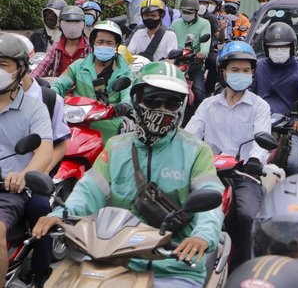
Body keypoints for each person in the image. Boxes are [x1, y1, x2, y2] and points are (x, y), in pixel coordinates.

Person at [32, 62, 225, 288]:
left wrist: (202, 236)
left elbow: (210, 199)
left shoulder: (196, 150)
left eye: (171, 102)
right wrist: (61, 214)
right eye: (153, 100)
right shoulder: (116, 147)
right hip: (110, 259)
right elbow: (88, 192)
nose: (161, 109)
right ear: (137, 100)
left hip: (173, 266)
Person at [186, 41, 271, 272]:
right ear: (223, 72)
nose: (240, 74)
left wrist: (255, 161)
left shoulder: (260, 106)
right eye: (235, 70)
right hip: (207, 174)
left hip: (244, 175)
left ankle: (241, 270)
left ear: (253, 73)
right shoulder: (208, 105)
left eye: (246, 70)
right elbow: (190, 135)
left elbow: (262, 140)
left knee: (247, 216)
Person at [12, 34, 70, 287]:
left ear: (22, 65)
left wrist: (40, 172)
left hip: (34, 175)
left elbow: (61, 142)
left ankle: (40, 269)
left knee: (39, 209)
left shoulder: (47, 99)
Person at [0, 33, 53, 283]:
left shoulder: (35, 109)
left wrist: (23, 175)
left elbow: (44, 148)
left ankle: (40, 269)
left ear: (20, 69)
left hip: (9, 189)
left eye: (2, 64)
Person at [52, 21, 133, 146]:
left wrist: (125, 104)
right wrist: (50, 95)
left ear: (116, 45)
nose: (104, 45)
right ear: (93, 43)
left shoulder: (124, 72)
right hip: (76, 122)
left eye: (109, 43)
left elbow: (128, 93)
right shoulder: (78, 66)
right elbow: (60, 85)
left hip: (109, 125)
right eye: (100, 42)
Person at [251, 23, 298, 175]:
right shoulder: (258, 67)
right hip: (259, 124)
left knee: (294, 165)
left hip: (290, 126)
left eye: (283, 47)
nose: (278, 51)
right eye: (273, 47)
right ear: (266, 48)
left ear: (292, 47)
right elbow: (248, 92)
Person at [170, 0, 211, 120]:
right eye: (184, 12)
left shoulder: (204, 23)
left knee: (199, 93)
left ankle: (203, 119)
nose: (187, 14)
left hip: (194, 63)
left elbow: (205, 41)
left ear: (196, 12)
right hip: (176, 62)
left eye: (190, 12)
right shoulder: (176, 23)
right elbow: (169, 39)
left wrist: (202, 52)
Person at [31, 5, 91, 79]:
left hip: (83, 88)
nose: (72, 27)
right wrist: (28, 80)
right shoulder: (56, 46)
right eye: (68, 22)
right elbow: (43, 66)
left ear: (83, 24)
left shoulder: (90, 46)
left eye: (77, 22)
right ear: (60, 24)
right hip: (58, 88)